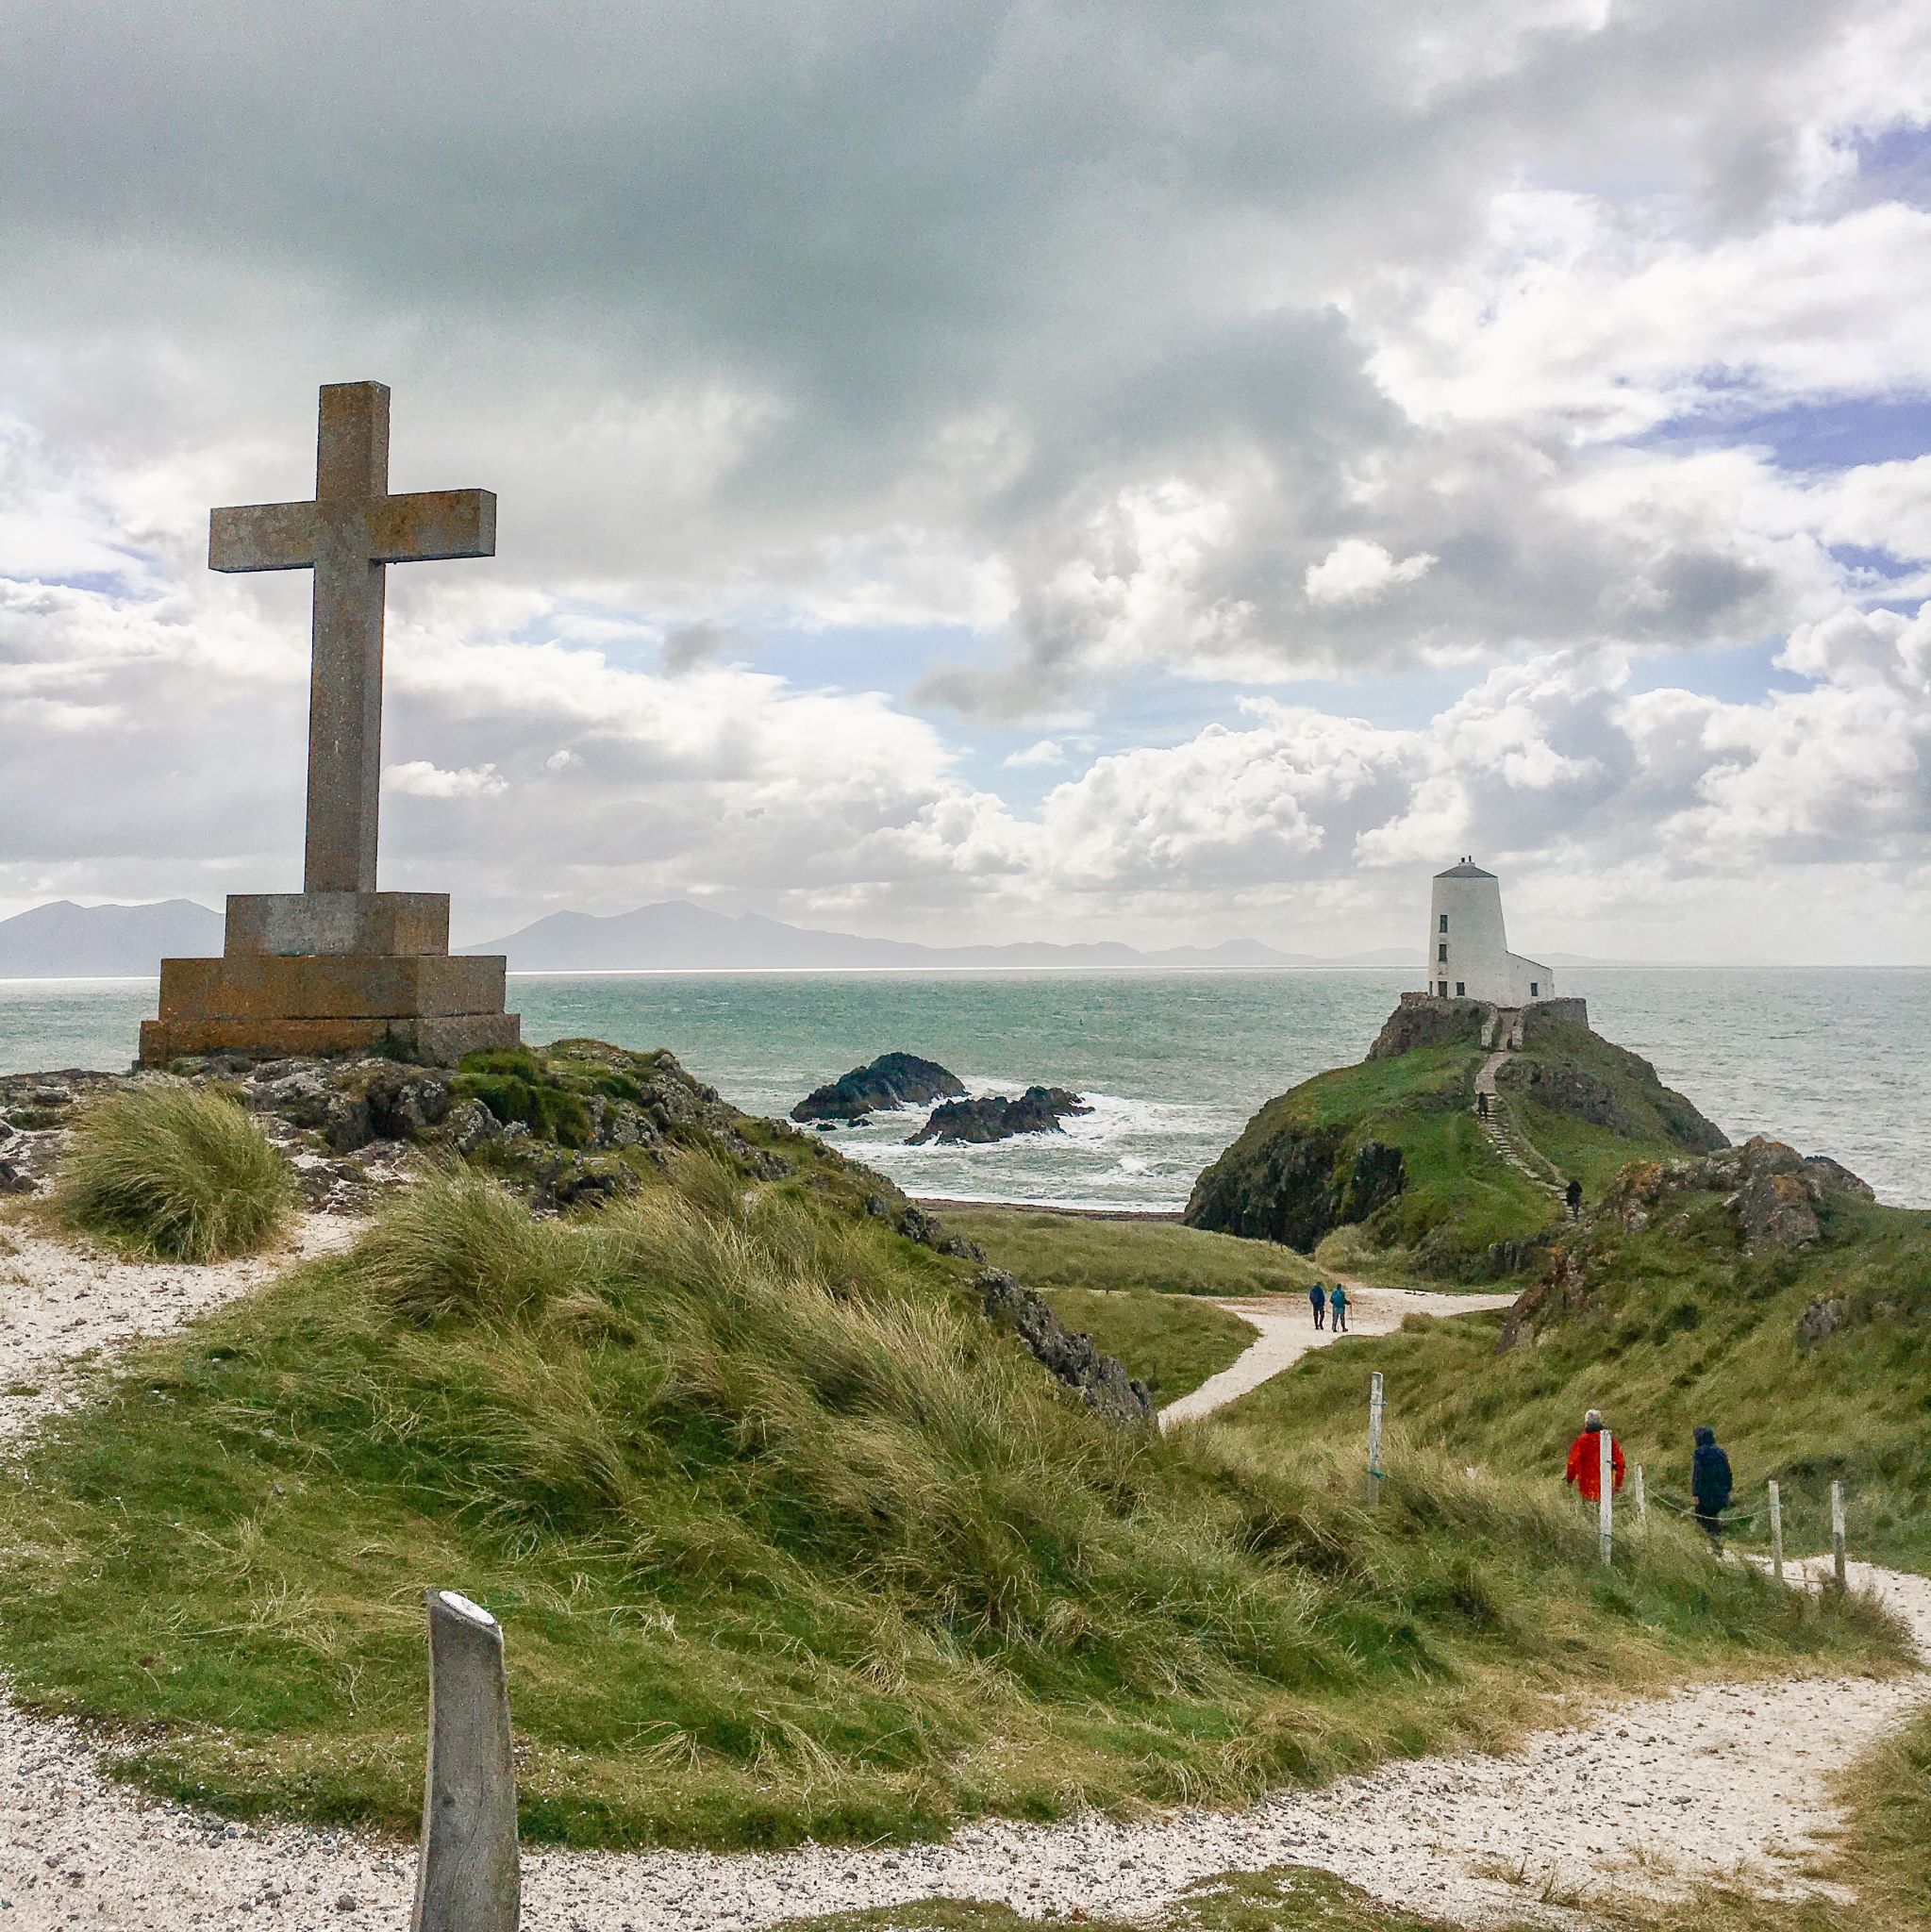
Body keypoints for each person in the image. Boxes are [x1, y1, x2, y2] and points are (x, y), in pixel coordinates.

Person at [1563, 1407, 1625, 1502]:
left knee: (1590, 1510)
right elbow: (1620, 1463)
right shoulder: (1609, 1440)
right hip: (1608, 1488)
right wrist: (1618, 1484)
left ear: (1586, 1424)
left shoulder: (1582, 1441)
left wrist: (1569, 1480)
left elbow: (1572, 1463)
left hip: (1587, 1490)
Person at [1691, 1424, 1733, 1542]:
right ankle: (1717, 1540)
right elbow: (1727, 1472)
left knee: (1703, 1519)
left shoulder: (1700, 1453)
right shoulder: (1720, 1452)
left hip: (1705, 1493)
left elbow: (1698, 1474)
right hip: (1720, 1492)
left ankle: (1713, 1543)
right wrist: (1727, 1488)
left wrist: (1695, 1493)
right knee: (1714, 1517)